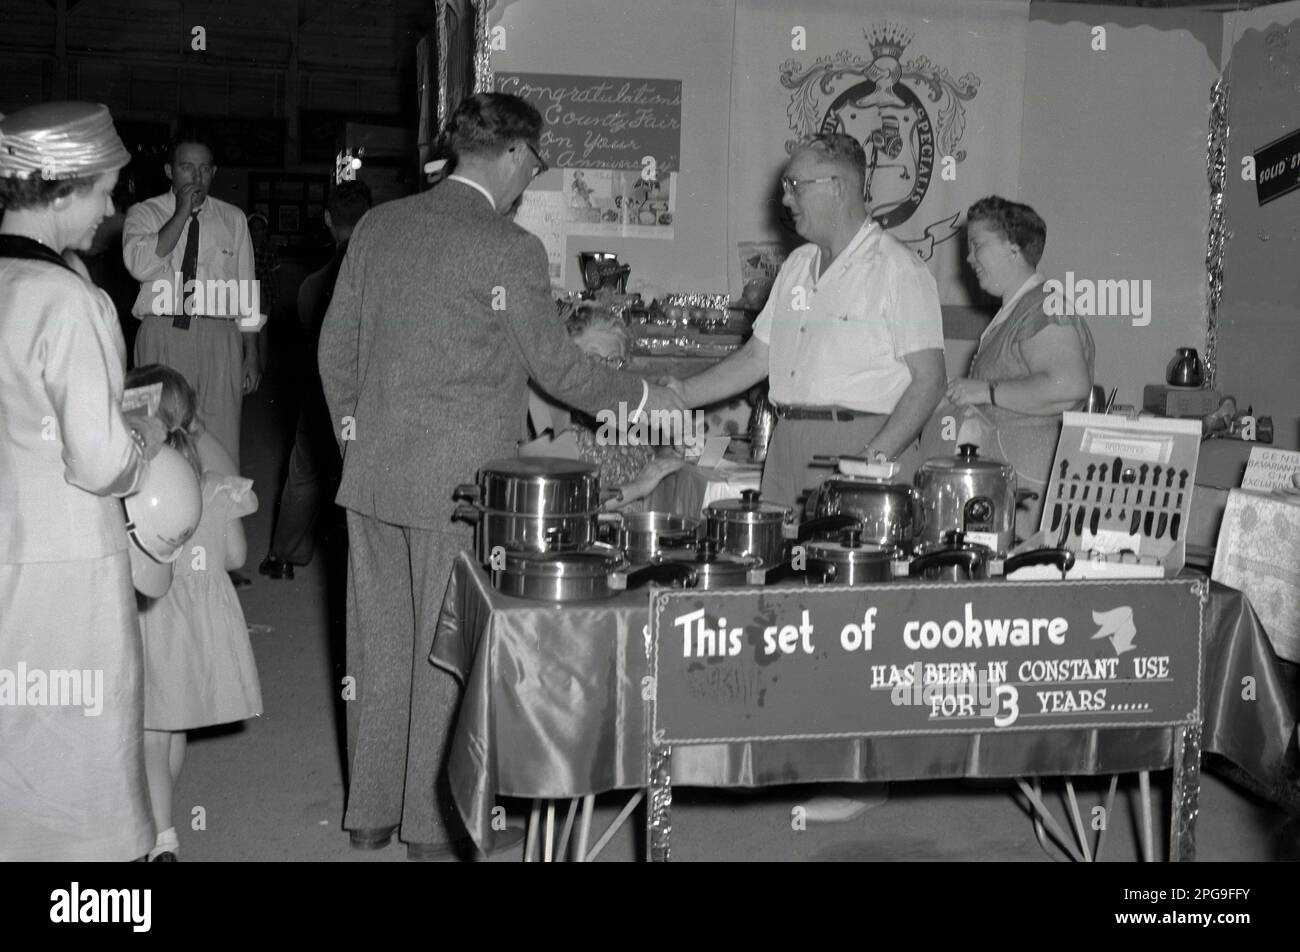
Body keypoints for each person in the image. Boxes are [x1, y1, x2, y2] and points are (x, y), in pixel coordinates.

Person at [317, 92, 687, 859]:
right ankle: (430, 825)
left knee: (378, 644)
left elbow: (334, 353)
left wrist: (357, 436)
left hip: (374, 473)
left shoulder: (380, 225)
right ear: (516, 155)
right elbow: (557, 369)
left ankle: (371, 814)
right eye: (535, 164)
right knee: (449, 650)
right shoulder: (507, 247)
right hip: (457, 484)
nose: (530, 180)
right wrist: (647, 396)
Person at [0, 101, 168, 861]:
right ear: (60, 190)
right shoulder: (70, 300)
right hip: (66, 563)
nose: (113, 206)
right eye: (104, 189)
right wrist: (148, 437)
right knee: (83, 752)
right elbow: (100, 461)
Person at [671, 132, 946, 510]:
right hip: (787, 444)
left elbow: (930, 381)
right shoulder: (797, 266)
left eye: (795, 186)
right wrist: (679, 394)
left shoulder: (900, 270)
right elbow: (757, 358)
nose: (785, 199)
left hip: (863, 443)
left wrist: (868, 462)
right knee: (784, 565)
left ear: (837, 188)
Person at [127, 364, 263, 862]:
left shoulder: (135, 488)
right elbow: (236, 557)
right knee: (173, 727)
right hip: (195, 630)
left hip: (154, 620)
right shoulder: (212, 484)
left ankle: (161, 837)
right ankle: (159, 820)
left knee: (148, 735)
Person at [930, 196, 1095, 538]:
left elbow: (1068, 387)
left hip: (1029, 484)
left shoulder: (1043, 307)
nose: (969, 258)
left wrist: (986, 391)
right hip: (1012, 480)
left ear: (1013, 248)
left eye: (977, 246)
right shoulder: (1022, 308)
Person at [123, 132, 262, 470]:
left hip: (219, 338)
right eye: (187, 168)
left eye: (204, 169)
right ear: (170, 171)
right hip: (162, 332)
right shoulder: (144, 213)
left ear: (213, 173)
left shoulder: (234, 219)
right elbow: (140, 266)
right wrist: (182, 212)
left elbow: (246, 287)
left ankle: (220, 519)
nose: (196, 177)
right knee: (155, 434)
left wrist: (251, 352)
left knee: (221, 443)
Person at [260, 181, 373, 581]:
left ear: (327, 219)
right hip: (369, 396)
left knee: (304, 471)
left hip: (321, 393)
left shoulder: (313, 285)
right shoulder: (379, 281)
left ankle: (285, 555)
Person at [520, 300, 687, 508]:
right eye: (592, 359)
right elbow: (559, 504)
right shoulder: (546, 412)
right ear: (565, 362)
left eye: (614, 360)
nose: (605, 371)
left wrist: (669, 455)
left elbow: (651, 462)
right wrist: (638, 486)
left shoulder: (628, 412)